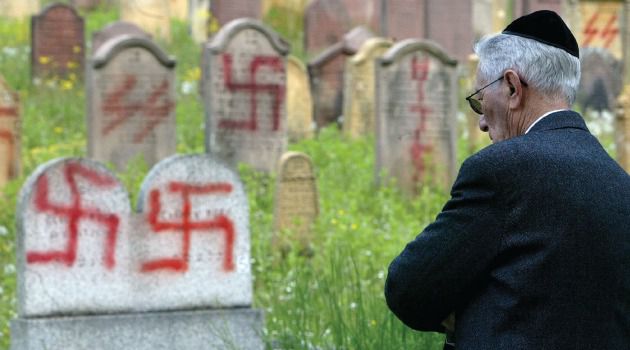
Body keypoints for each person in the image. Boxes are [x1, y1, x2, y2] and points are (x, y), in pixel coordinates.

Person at [384, 10, 630, 349]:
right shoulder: (620, 181)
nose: (482, 123)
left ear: (513, 87)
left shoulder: (502, 170)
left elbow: (408, 288)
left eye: (479, 102)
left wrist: (470, 308)